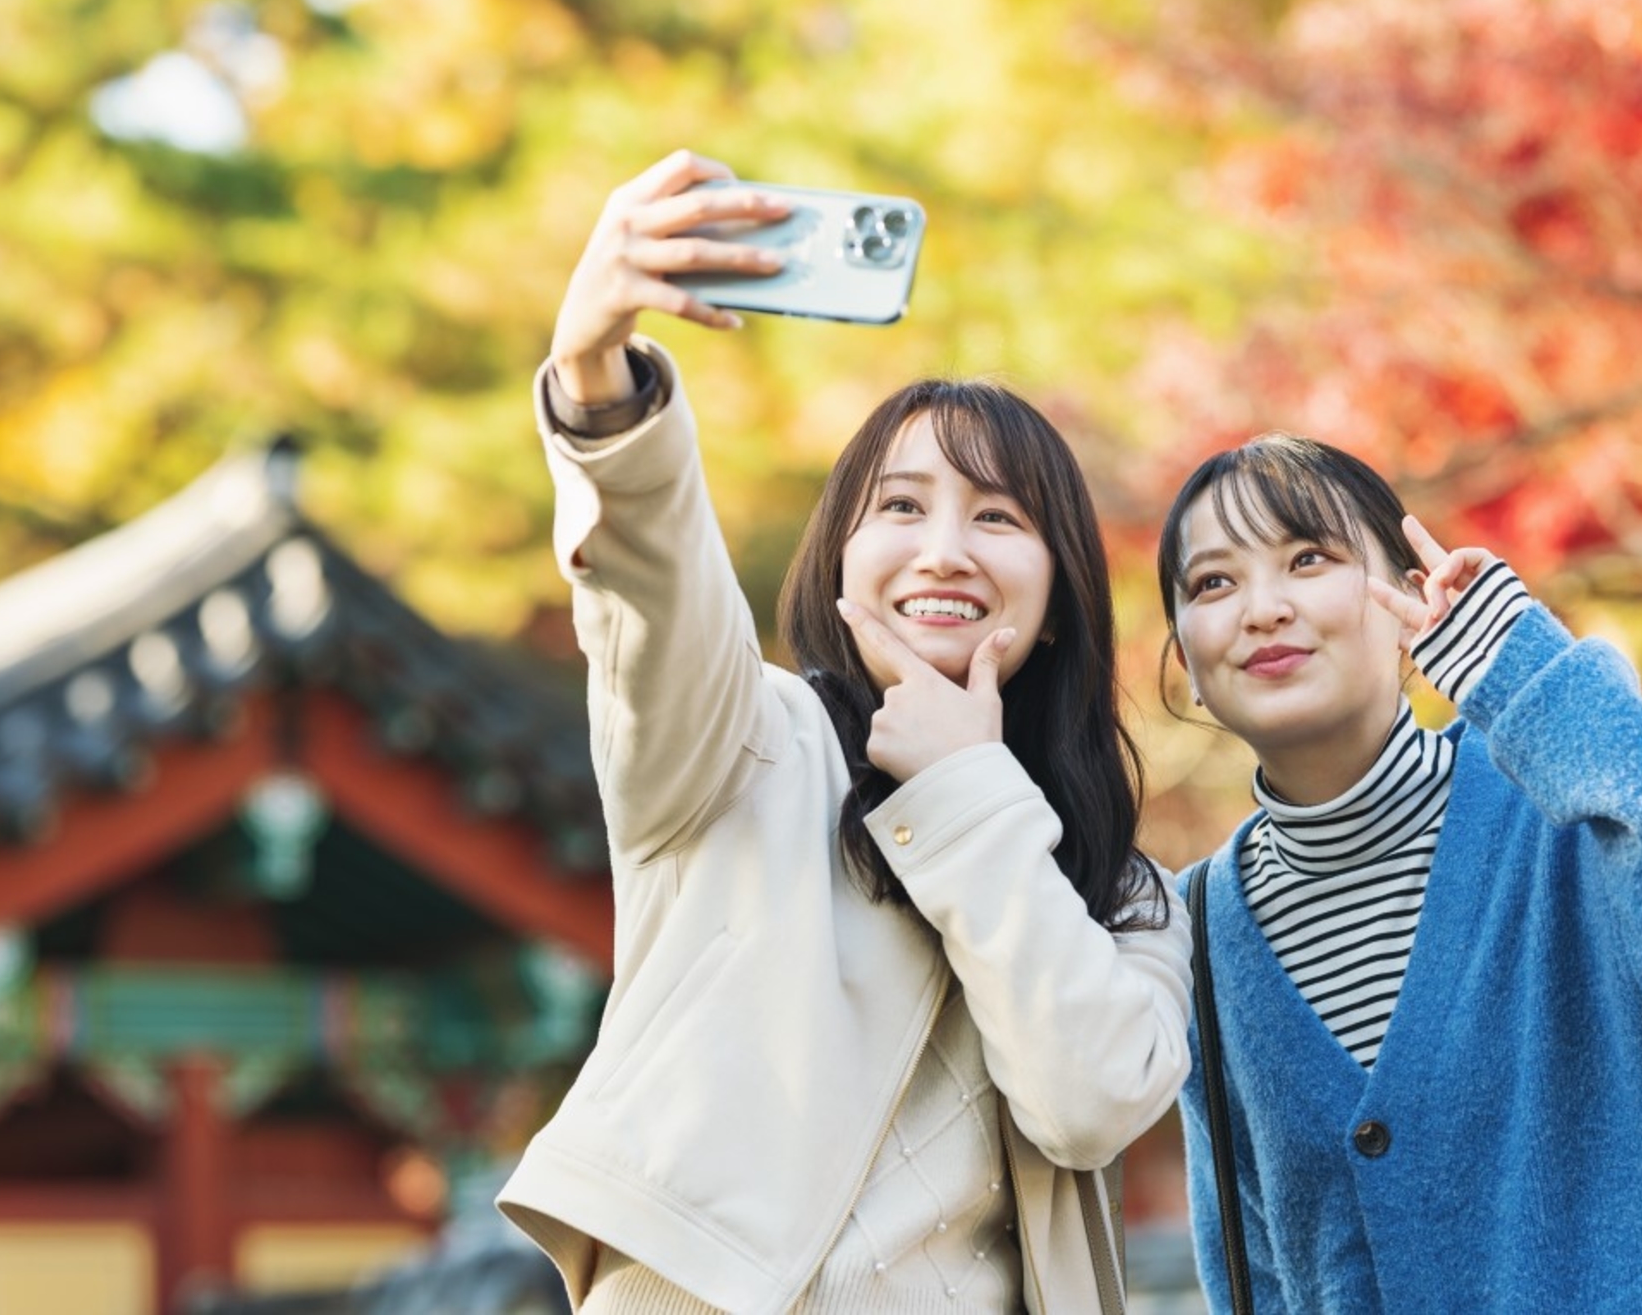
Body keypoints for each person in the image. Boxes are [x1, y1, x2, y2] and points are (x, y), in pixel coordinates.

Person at [497, 150, 1192, 1315]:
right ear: (839, 555)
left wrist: (970, 786)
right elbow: (652, 593)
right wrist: (595, 378)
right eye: (902, 506)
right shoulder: (748, 745)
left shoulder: (1130, 897)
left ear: (1062, 588)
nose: (943, 550)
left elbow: (1087, 1102)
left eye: (998, 517)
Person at [1160, 434, 1642, 1312]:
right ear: (1188, 661)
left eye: (1308, 558)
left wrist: (1532, 680)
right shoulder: (1199, 930)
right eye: (1213, 583)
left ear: (1410, 600)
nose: (1262, 608)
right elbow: (1256, 1276)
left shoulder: (1569, 802)